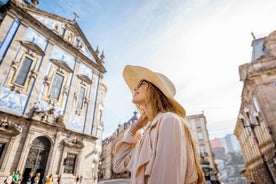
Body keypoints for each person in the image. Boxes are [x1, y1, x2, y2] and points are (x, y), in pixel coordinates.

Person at [113, 65, 204, 184]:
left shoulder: (169, 120)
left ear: (155, 90)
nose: (134, 88)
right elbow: (118, 165)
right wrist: (134, 129)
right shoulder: (148, 133)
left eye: (142, 83)